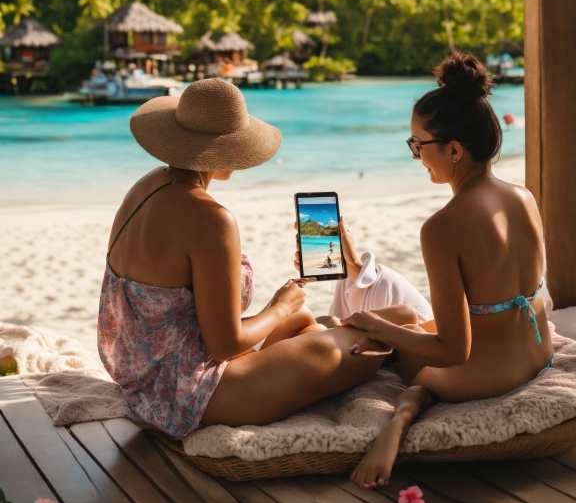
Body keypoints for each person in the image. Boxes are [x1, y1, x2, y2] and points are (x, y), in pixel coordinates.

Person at [98, 79, 388, 438]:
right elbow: (225, 345)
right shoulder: (211, 218)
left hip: (144, 380)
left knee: (304, 321)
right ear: (224, 150)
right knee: (364, 345)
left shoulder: (145, 187)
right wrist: (278, 307)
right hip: (190, 396)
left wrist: (285, 310)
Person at [340, 51, 553, 487]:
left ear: (454, 149)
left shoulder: (442, 228)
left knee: (393, 342)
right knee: (398, 311)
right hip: (537, 353)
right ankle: (355, 270)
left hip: (489, 375)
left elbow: (454, 352)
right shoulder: (524, 197)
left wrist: (384, 333)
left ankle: (399, 420)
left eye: (418, 145)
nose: (416, 155)